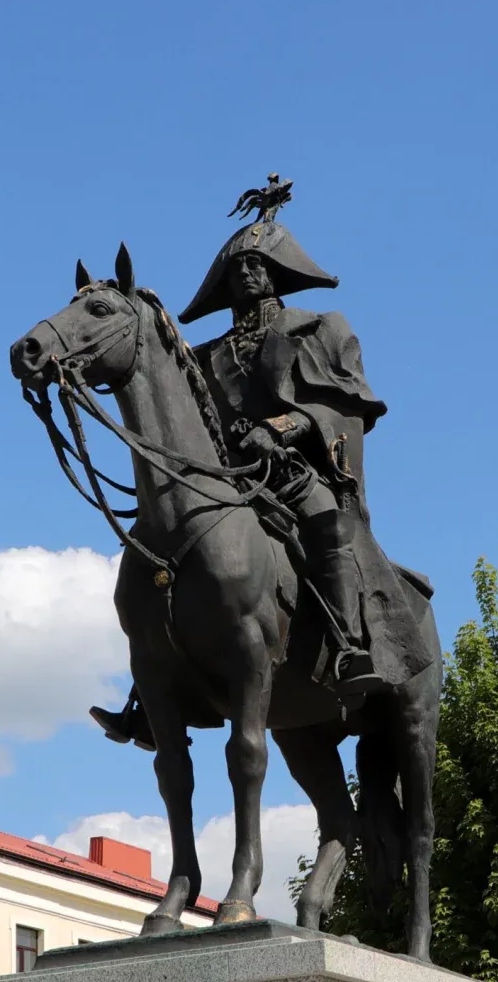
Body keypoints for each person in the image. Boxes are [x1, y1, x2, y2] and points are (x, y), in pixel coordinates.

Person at [90, 216, 416, 750]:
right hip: (224, 479)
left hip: (291, 472)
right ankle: (147, 696)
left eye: (257, 265)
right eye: (237, 266)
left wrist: (282, 428)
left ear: (279, 273)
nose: (247, 273)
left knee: (322, 519)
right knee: (163, 549)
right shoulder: (202, 354)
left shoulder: (318, 328)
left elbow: (342, 403)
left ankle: (349, 645)